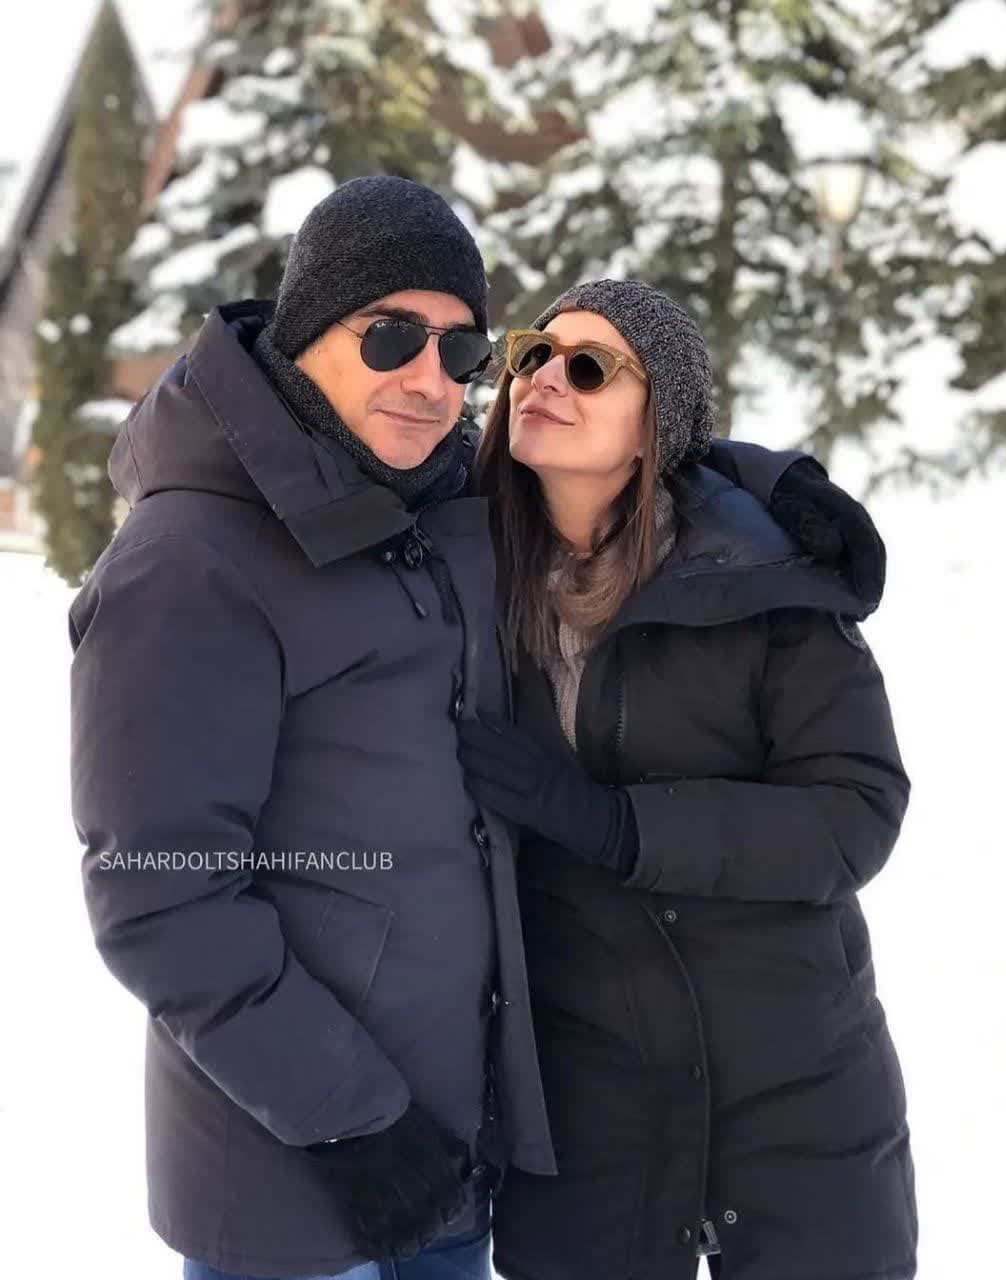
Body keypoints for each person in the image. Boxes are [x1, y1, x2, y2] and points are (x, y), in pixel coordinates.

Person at [69, 177, 892, 1280]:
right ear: (307, 328)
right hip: (295, 1178)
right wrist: (349, 1121)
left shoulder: (433, 503)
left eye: (461, 351)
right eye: (390, 335)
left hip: (457, 1158)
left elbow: (612, 471)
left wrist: (764, 483)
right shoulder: (190, 563)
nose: (430, 380)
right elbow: (161, 891)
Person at [458, 279, 917, 1280]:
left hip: (794, 1085)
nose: (545, 379)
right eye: (533, 353)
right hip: (587, 1101)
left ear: (654, 424)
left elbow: (854, 814)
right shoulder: (461, 574)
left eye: (590, 368)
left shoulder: (765, 583)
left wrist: (621, 827)